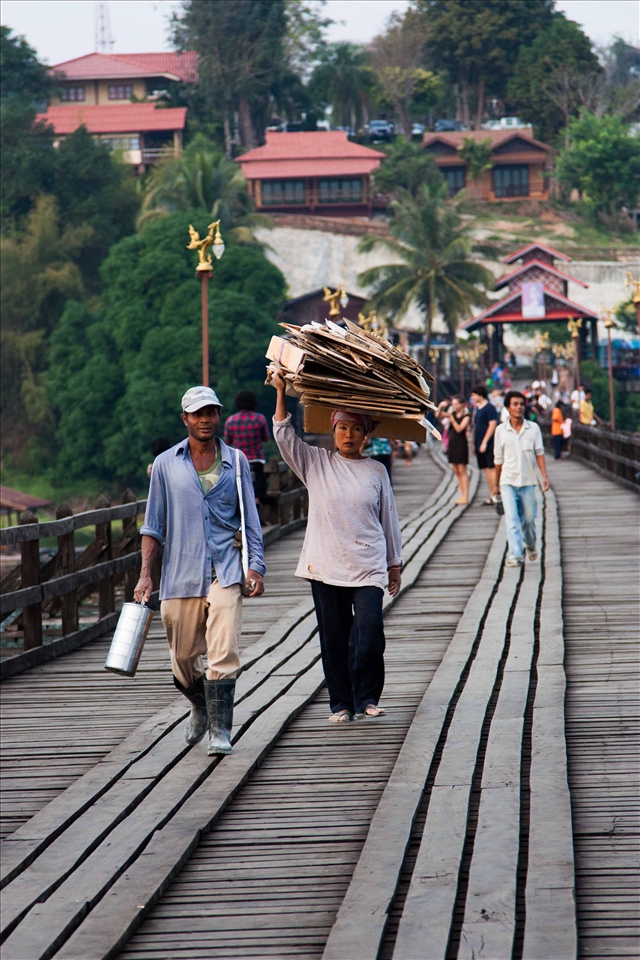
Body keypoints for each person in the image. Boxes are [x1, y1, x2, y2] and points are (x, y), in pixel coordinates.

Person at [134, 386, 266, 756]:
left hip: (225, 569)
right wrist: (146, 574)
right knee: (182, 659)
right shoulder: (165, 464)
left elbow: (251, 520)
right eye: (198, 414)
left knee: (223, 650)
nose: (205, 419)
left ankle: (220, 731)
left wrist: (256, 566)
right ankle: (200, 705)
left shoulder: (237, 461)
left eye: (211, 412)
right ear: (185, 419)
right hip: (180, 572)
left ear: (218, 416)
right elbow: (152, 526)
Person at [272, 372, 402, 723]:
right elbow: (284, 436)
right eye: (343, 429)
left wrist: (395, 563)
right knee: (334, 636)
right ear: (333, 432)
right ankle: (342, 703)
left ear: (366, 435)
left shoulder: (376, 471)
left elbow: (388, 517)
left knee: (370, 632)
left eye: (356, 430)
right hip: (326, 564)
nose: (349, 436)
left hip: (368, 564)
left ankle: (368, 697)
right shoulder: (316, 463)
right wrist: (282, 391)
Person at [494, 391, 550, 568]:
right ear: (508, 407)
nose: (519, 407)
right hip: (507, 481)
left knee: (528, 519)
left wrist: (544, 477)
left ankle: (531, 545)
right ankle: (516, 555)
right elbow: (498, 460)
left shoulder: (533, 428)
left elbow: (539, 453)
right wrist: (495, 485)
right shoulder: (500, 431)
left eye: (521, 404)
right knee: (511, 519)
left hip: (528, 481)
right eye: (515, 404)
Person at [223, 391, 271, 503]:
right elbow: (266, 438)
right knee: (259, 483)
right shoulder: (260, 419)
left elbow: (227, 441)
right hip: (257, 459)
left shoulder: (230, 420)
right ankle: (257, 500)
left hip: (238, 459)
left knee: (239, 481)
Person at [437, 396, 471, 505]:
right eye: (453, 404)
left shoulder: (466, 416)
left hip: (461, 444)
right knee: (456, 470)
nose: (455, 406)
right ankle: (461, 495)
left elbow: (459, 428)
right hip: (452, 444)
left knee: (462, 469)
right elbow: (438, 415)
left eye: (457, 404)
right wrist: (441, 407)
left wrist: (451, 419)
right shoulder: (452, 414)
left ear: (462, 404)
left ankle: (466, 495)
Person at [470, 385, 498, 504]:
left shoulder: (489, 408)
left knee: (491, 469)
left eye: (474, 395)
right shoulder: (478, 409)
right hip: (479, 442)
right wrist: (473, 443)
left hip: (488, 443)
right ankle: (491, 494)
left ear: (480, 395)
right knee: (486, 470)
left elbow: (492, 425)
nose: (473, 397)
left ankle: (495, 494)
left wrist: (485, 442)